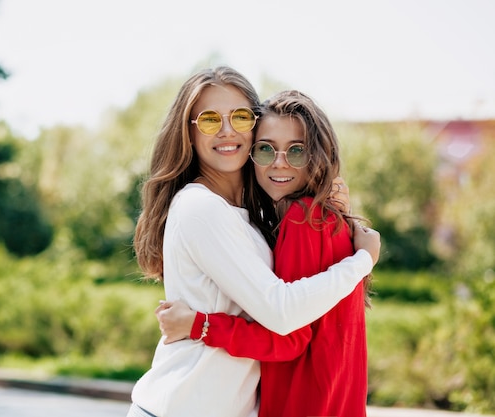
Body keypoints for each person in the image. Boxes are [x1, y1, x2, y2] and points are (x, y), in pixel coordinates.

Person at [127, 67, 380, 417]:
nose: (228, 130)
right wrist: (362, 261)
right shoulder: (201, 207)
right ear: (189, 132)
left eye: (241, 117)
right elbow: (281, 312)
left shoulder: (251, 215)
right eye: (211, 120)